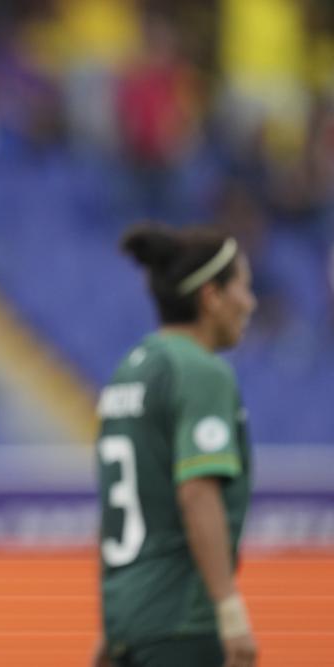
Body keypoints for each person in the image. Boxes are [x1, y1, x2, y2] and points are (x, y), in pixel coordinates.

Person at [94, 224, 258, 667]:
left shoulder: (130, 371)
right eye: (244, 286)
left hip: (129, 621)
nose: (250, 302)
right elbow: (197, 491)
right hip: (183, 623)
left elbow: (122, 508)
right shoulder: (200, 372)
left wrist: (114, 631)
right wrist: (228, 609)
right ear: (212, 297)